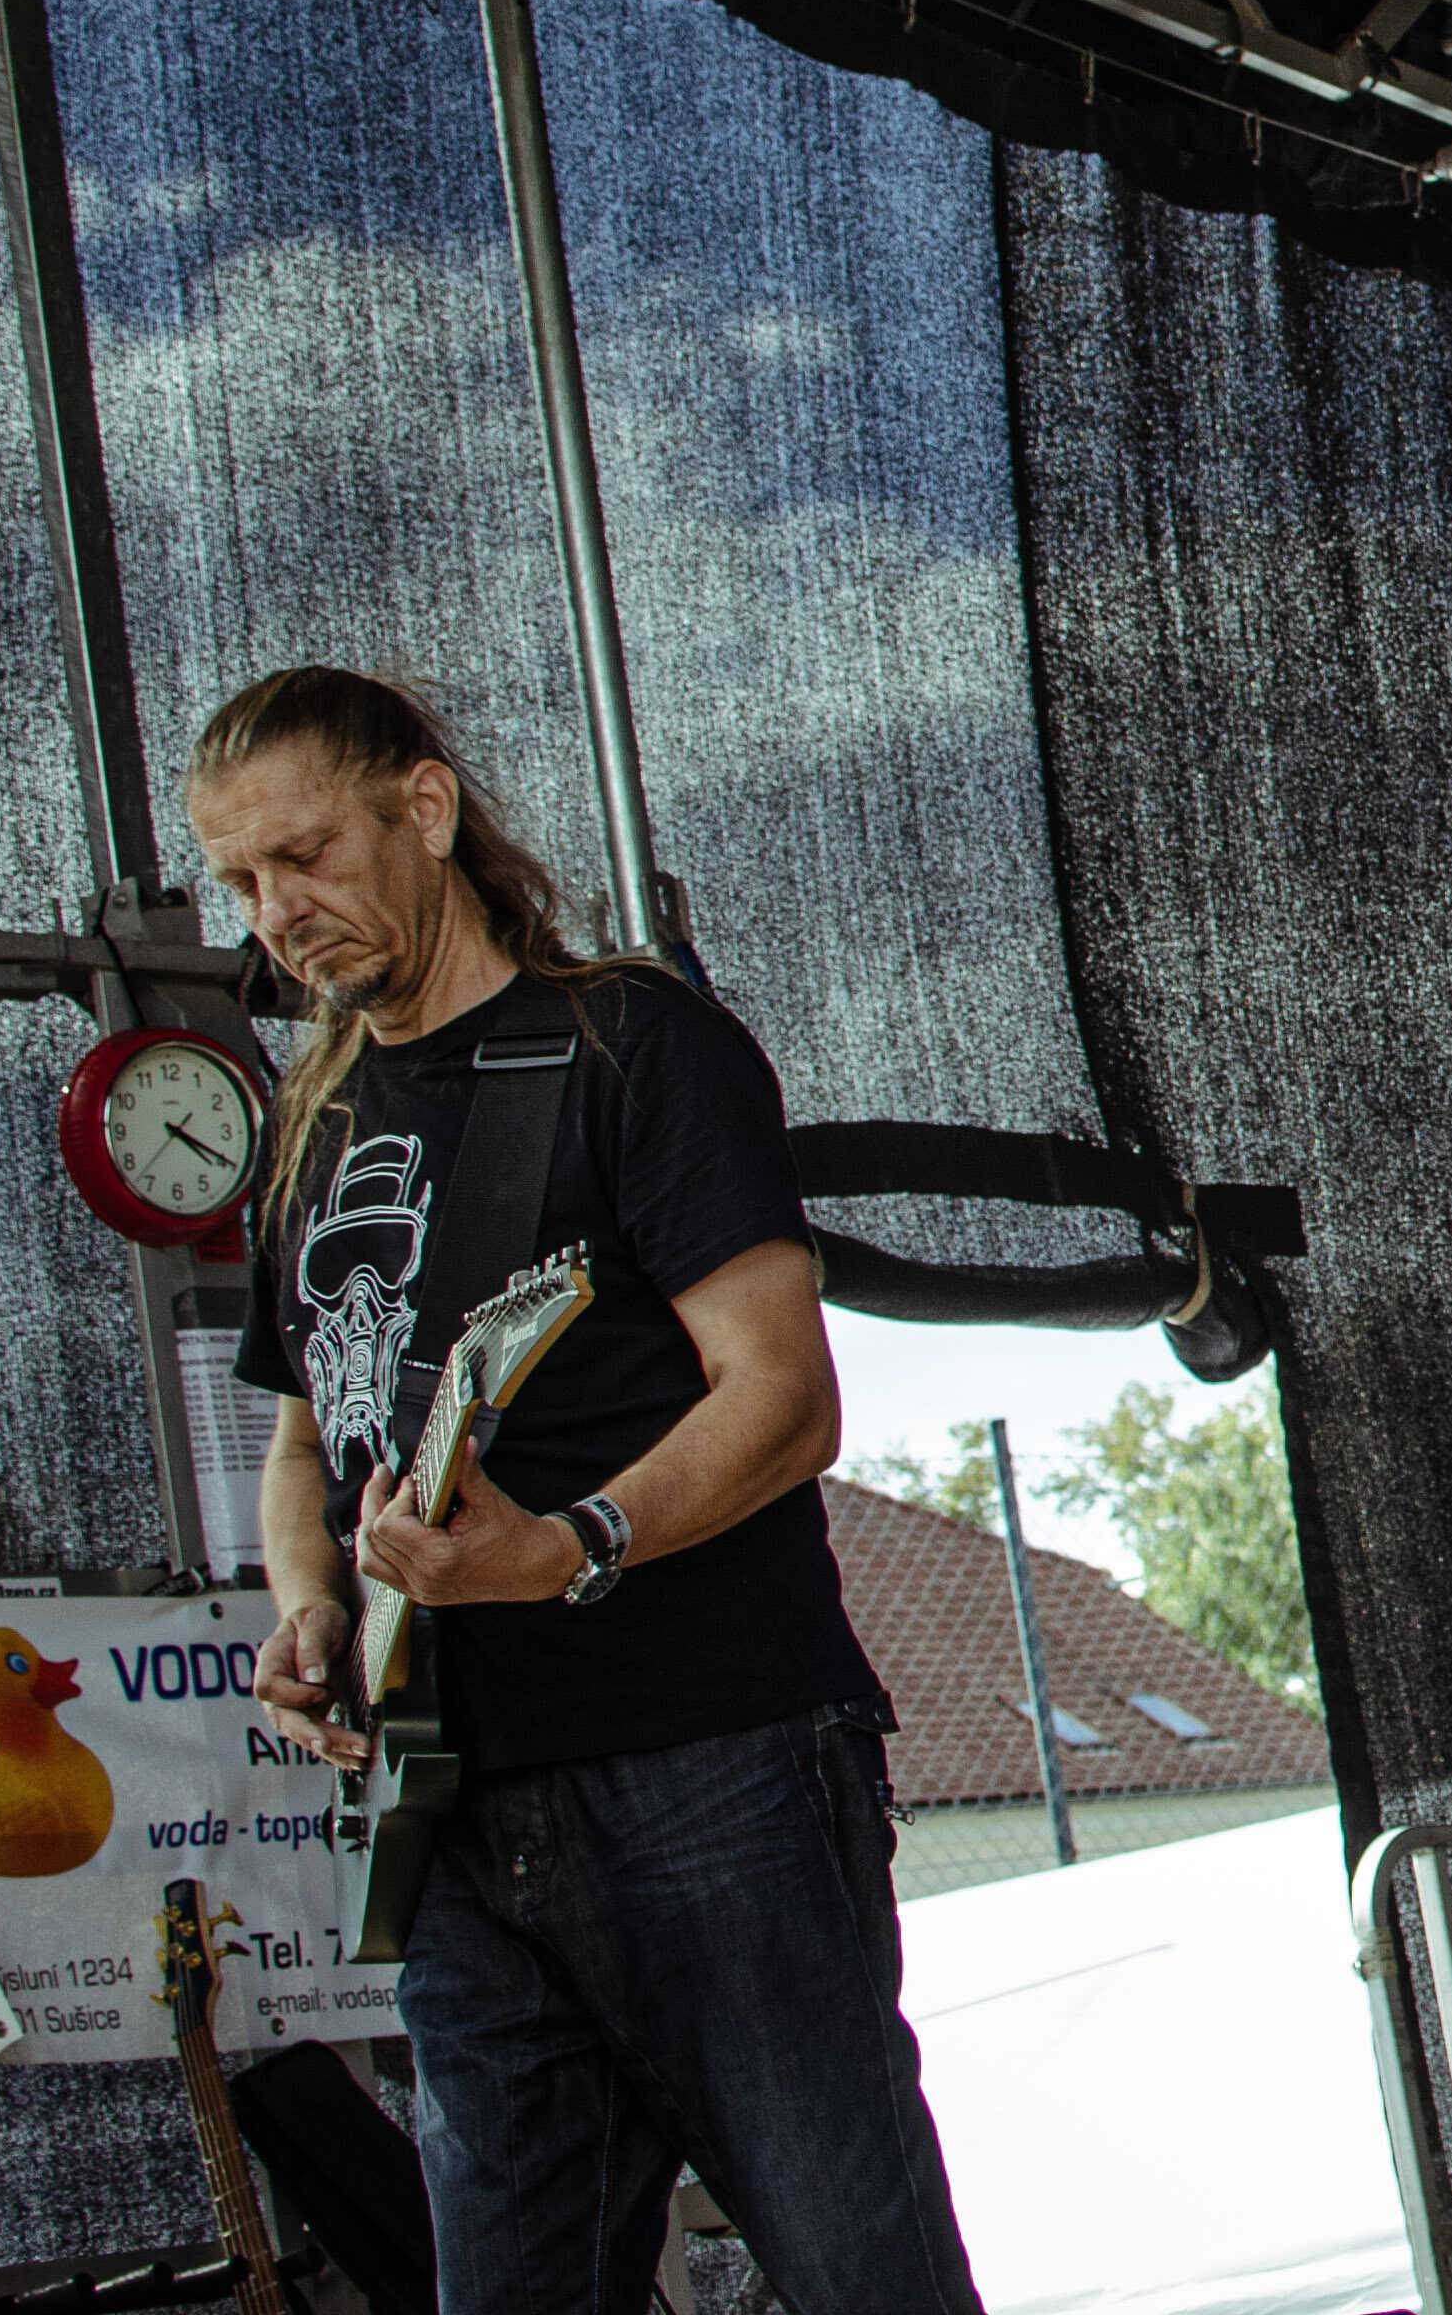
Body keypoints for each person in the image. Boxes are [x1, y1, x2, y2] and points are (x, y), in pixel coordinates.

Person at [206, 668, 975, 2314]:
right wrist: (314, 1611)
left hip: (707, 1760)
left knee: (863, 2274)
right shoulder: (310, 1120)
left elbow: (783, 1398)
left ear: (425, 809)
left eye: (306, 853)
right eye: (243, 880)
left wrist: (568, 1543)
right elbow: (304, 1442)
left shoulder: (630, 1042)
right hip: (454, 1810)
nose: (278, 911)